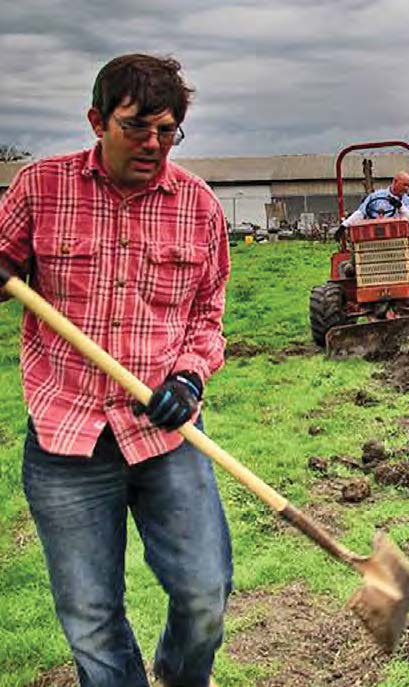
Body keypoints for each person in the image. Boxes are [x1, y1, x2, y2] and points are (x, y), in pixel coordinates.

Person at [0, 54, 232, 686]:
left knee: (206, 595)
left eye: (168, 131)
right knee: (92, 623)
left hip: (164, 438)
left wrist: (188, 377)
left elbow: (208, 316)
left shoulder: (199, 207)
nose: (153, 144)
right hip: (65, 438)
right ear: (97, 121)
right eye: (137, 128)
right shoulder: (39, 189)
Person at [335, 170, 409, 239]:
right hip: (373, 234)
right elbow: (361, 213)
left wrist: (400, 206)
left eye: (408, 186)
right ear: (395, 181)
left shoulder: (407, 201)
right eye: (404, 185)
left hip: (397, 234)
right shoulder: (376, 196)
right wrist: (344, 226)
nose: (406, 188)